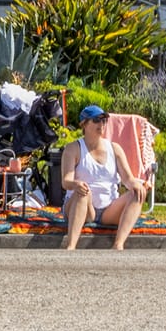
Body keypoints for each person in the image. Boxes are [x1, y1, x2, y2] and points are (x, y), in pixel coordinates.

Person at [60, 105, 146, 251]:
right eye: (96, 120)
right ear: (84, 124)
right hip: (84, 207)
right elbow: (66, 181)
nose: (102, 124)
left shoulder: (115, 148)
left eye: (104, 120)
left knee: (138, 193)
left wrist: (137, 185)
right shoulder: (73, 148)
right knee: (83, 192)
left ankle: (118, 244)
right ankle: (71, 246)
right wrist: (76, 184)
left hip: (109, 209)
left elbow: (128, 179)